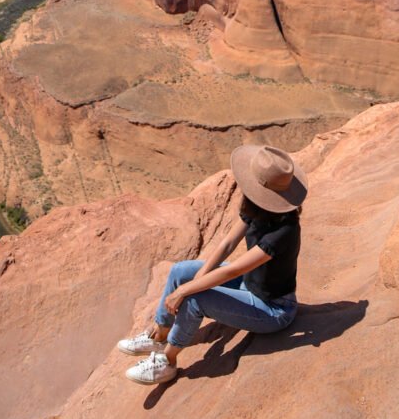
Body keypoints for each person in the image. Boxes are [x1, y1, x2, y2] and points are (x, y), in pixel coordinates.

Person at [118, 143, 308, 385]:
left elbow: (234, 269)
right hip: (249, 285)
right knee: (180, 272)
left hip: (273, 308)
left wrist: (187, 291)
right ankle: (160, 334)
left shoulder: (284, 231)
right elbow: (228, 243)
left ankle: (168, 362)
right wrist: (194, 281)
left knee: (196, 298)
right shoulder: (259, 208)